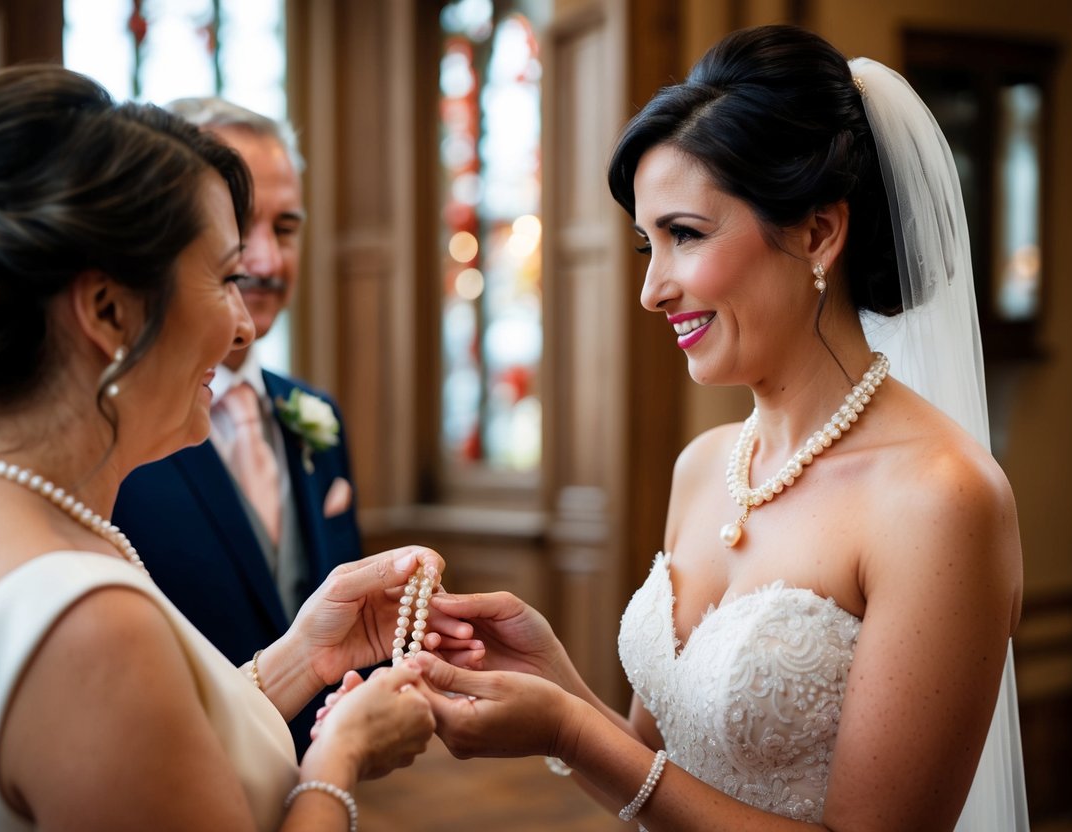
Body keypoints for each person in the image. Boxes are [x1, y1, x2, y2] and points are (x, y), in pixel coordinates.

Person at [400, 24, 1029, 831]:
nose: (652, 291)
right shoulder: (704, 467)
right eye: (644, 246)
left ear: (817, 233)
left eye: (685, 236)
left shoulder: (941, 500)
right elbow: (660, 775)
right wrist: (556, 687)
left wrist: (566, 729)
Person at [0, 65, 456, 831]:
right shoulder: (89, 629)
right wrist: (338, 762)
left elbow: (146, 743)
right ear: (107, 310)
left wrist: (301, 658)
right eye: (224, 275)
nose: (243, 326)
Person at [111, 97, 362, 757]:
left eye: (285, 228)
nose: (269, 262)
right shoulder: (111, 433)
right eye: (240, 227)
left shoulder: (316, 416)